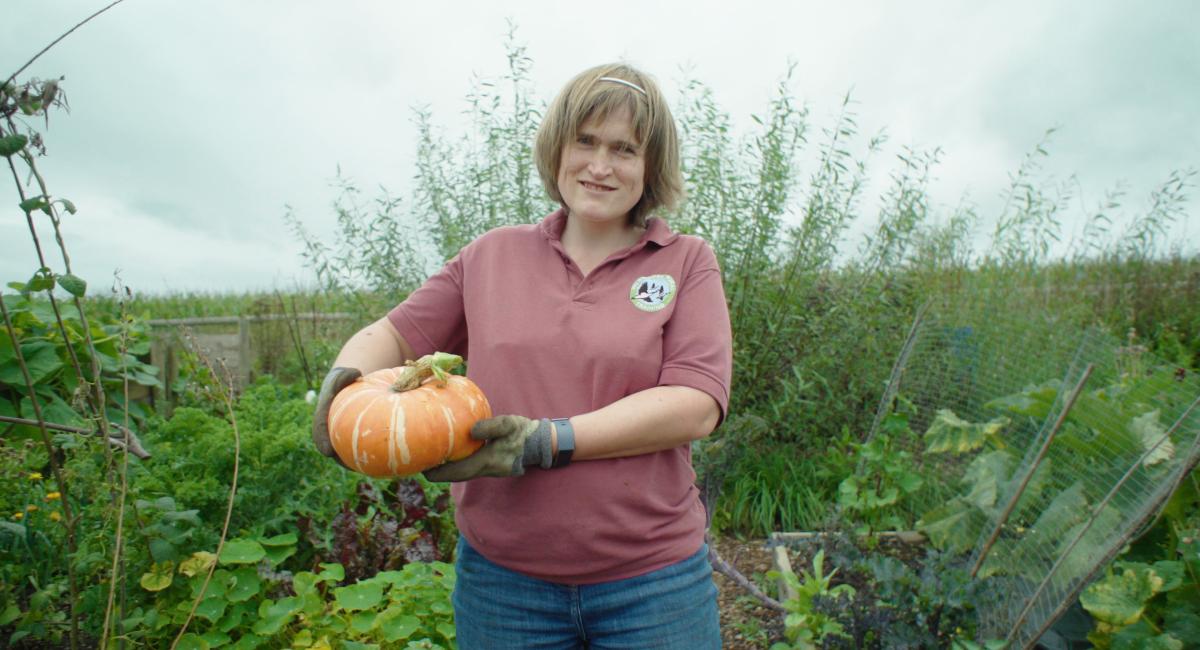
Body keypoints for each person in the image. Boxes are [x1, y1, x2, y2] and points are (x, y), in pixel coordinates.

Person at [312, 62, 732, 649]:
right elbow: (393, 334)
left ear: (651, 166)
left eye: (624, 149)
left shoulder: (685, 261)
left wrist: (546, 440)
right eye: (585, 141)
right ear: (557, 147)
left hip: (654, 584)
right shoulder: (491, 257)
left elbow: (694, 405)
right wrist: (344, 380)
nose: (601, 165)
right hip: (504, 587)